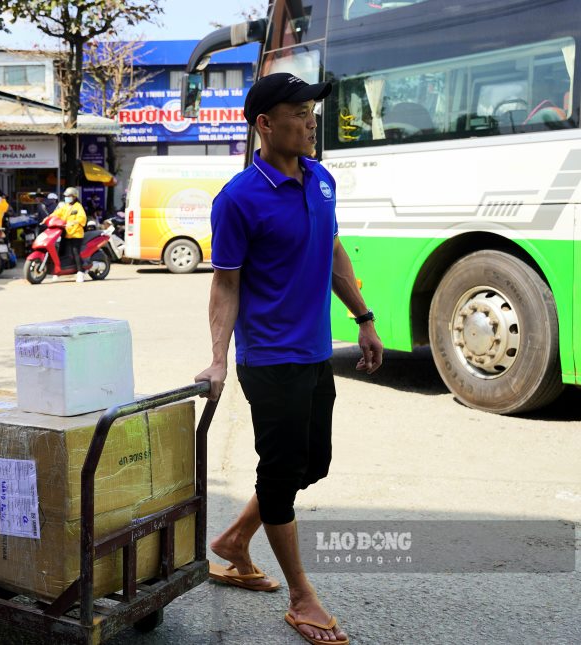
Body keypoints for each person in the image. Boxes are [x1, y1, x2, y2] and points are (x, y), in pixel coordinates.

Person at [194, 73, 384, 645]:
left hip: (313, 352)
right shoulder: (237, 199)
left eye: (312, 112)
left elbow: (330, 250)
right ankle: (303, 598)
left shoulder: (321, 180)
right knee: (280, 473)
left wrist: (364, 317)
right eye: (299, 112)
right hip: (269, 360)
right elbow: (225, 285)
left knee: (311, 465)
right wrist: (218, 359)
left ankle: (232, 542)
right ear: (264, 124)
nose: (311, 121)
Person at [47, 187, 87, 283]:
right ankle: (58, 272)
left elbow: (82, 218)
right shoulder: (65, 206)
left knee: (75, 252)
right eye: (65, 196)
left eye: (68, 196)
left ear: (74, 197)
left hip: (76, 234)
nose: (66, 198)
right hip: (66, 233)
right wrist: (47, 218)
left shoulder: (78, 207)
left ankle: (80, 272)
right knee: (60, 252)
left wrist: (74, 222)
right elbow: (56, 213)